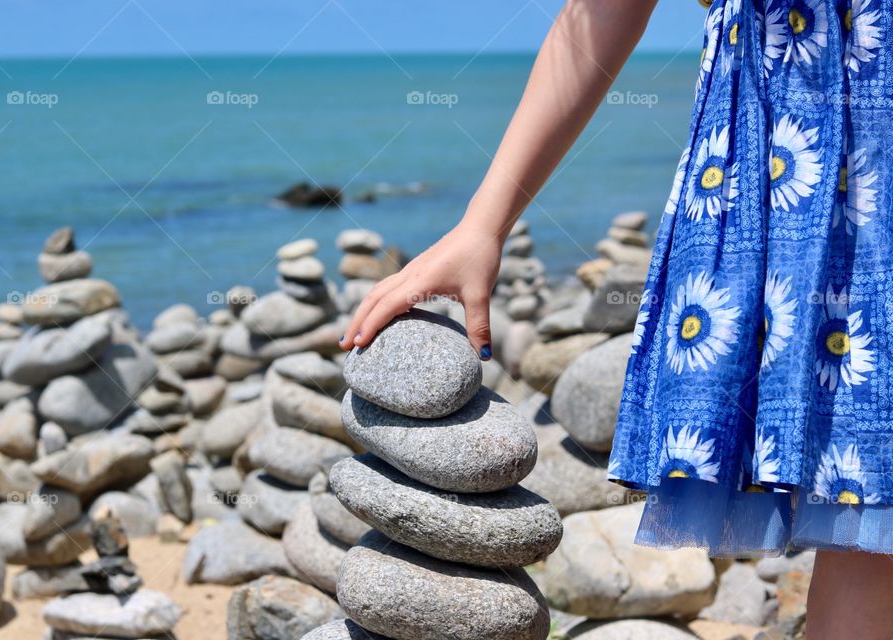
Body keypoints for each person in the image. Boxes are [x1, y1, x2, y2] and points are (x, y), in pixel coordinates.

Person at [341, 0, 893, 637]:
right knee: (870, 529)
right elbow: (599, 15)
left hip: (797, 181)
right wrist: (483, 225)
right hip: (793, 189)